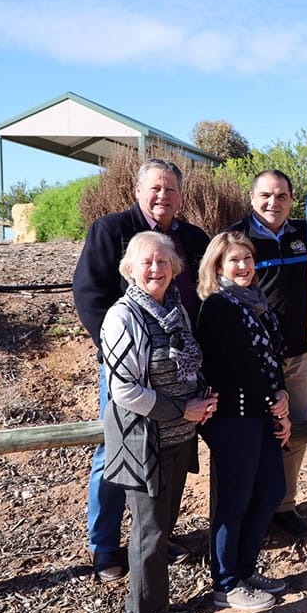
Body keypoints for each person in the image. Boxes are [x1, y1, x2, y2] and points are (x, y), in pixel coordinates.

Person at [73, 159, 210, 582]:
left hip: (182, 369)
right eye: (155, 188)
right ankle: (105, 546)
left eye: (170, 189)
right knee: (118, 453)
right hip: (130, 370)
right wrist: (121, 351)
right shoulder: (110, 230)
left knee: (170, 453)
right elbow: (88, 294)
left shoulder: (192, 237)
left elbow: (205, 296)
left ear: (181, 195)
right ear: (138, 190)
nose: (162, 196)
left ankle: (153, 538)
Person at [100, 231, 217, 613]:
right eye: (147, 262)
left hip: (178, 438)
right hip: (145, 442)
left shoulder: (175, 310)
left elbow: (190, 362)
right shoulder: (122, 316)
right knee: (150, 539)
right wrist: (181, 409)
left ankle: (143, 607)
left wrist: (201, 397)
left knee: (159, 531)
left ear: (174, 268)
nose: (155, 269)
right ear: (130, 269)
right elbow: (124, 391)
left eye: (163, 262)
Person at [195, 232, 292, 611]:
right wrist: (276, 403)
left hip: (259, 413)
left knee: (269, 491)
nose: (244, 266)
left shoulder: (258, 305)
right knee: (235, 500)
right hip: (233, 417)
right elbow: (242, 366)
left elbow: (271, 361)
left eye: (248, 259)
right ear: (217, 266)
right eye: (234, 260)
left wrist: (280, 397)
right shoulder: (219, 306)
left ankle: (245, 570)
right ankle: (226, 583)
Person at [223, 170, 307, 537]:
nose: (272, 203)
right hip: (252, 363)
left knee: (296, 433)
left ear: (292, 199)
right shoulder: (235, 239)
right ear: (251, 197)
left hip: (297, 355)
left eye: (281, 196)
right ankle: (245, 512)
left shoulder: (306, 234)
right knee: (252, 438)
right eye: (265, 195)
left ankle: (284, 504)